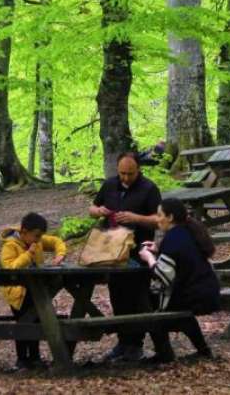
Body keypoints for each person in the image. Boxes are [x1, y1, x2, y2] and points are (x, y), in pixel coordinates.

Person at [89, 152, 161, 362]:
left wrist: (135, 218)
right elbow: (92, 207)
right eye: (122, 173)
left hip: (139, 252)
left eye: (130, 173)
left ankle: (136, 344)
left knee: (138, 297)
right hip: (111, 250)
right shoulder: (110, 185)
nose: (126, 178)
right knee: (117, 295)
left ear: (138, 170)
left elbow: (159, 220)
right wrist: (98, 211)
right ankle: (123, 342)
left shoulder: (149, 188)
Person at [138, 198, 220, 364]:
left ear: (170, 217)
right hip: (207, 291)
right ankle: (202, 350)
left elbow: (163, 276)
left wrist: (149, 258)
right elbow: (180, 259)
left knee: (147, 303)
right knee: (170, 307)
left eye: (160, 215)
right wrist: (159, 249)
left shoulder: (173, 239)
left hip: (194, 295)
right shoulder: (187, 232)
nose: (157, 218)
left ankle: (164, 354)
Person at [0, 212, 67, 370]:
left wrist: (60, 254)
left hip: (35, 289)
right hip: (18, 293)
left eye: (40, 236)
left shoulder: (36, 240)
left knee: (37, 322)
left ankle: (35, 357)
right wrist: (28, 254)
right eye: (36, 236)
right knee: (24, 324)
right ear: (24, 232)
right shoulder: (9, 245)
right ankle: (22, 359)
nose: (38, 240)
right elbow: (10, 268)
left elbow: (56, 241)